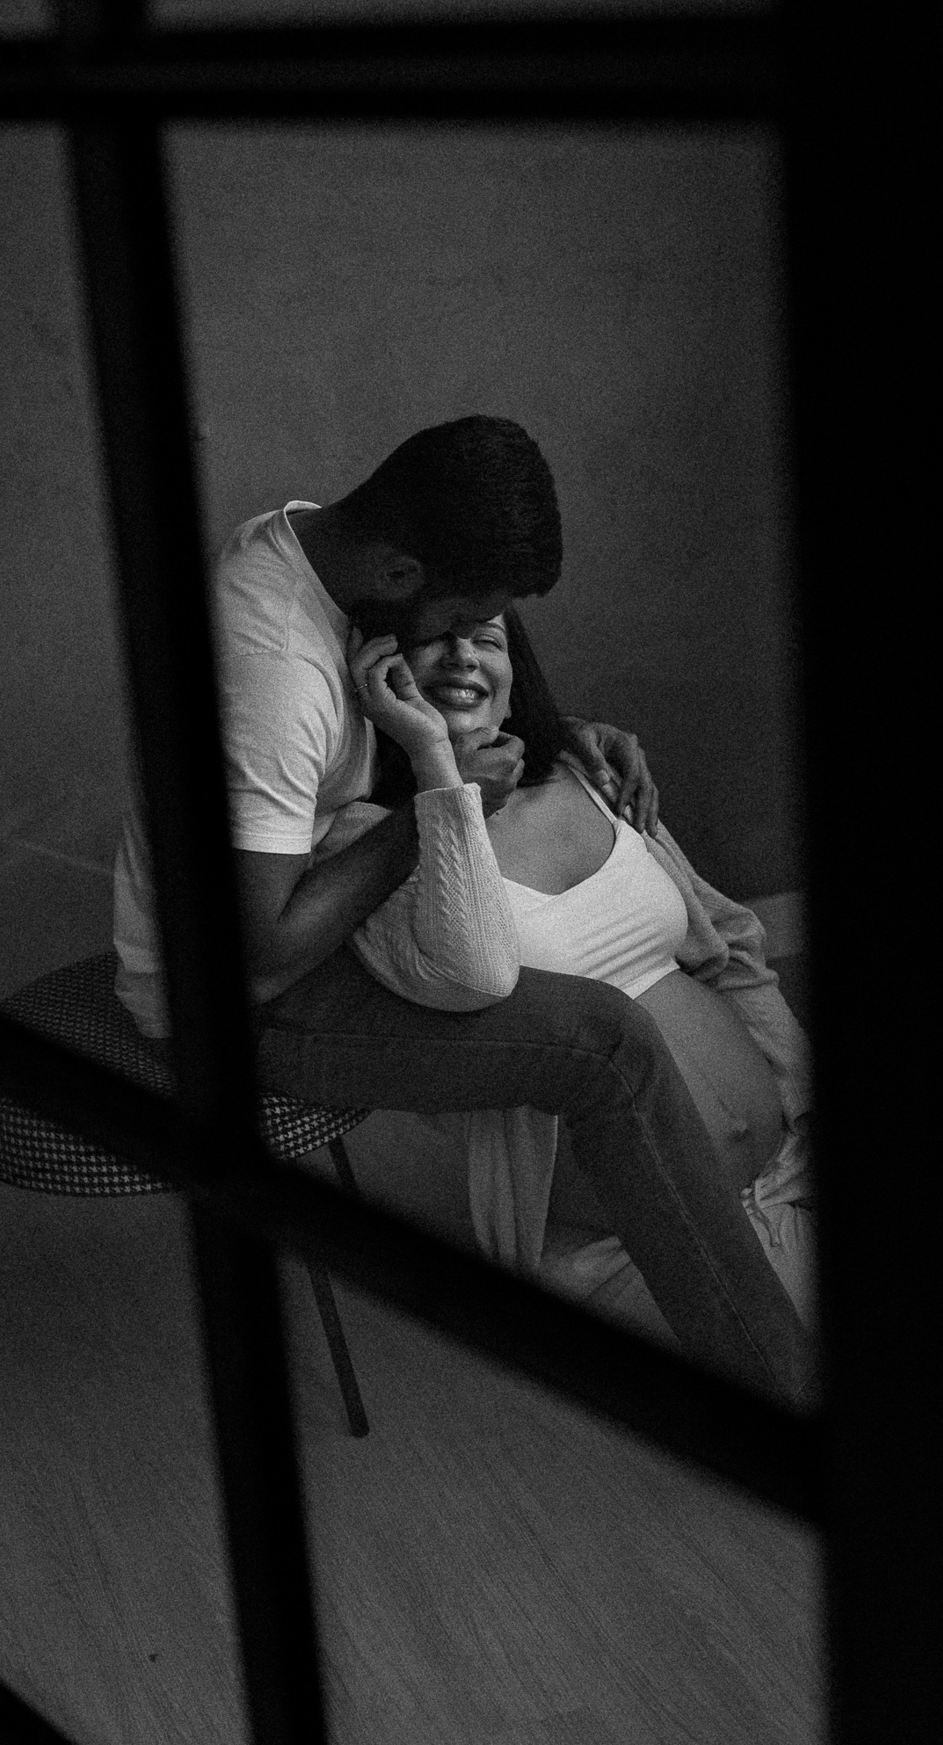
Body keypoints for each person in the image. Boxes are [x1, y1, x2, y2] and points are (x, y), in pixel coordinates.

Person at [113, 415, 816, 1406]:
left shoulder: (331, 558)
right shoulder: (270, 666)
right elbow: (257, 955)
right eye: (467, 616)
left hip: (311, 897)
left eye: (489, 632)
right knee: (602, 1043)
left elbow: (418, 700)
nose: (473, 643)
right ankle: (776, 1392)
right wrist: (446, 806)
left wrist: (551, 733)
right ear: (401, 574)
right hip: (236, 996)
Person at [337, 606, 815, 1335]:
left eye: (488, 640)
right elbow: (471, 976)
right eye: (434, 638)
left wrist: (804, 1098)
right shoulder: (370, 844)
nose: (463, 655)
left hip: (786, 1164)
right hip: (637, 1248)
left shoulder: (585, 776)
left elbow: (731, 947)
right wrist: (438, 766)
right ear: (378, 675)